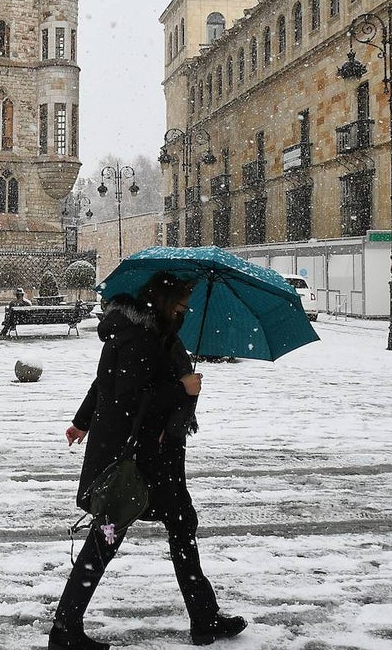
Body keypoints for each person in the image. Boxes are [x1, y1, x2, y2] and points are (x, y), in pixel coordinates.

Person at [48, 272, 247, 650]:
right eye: (181, 304)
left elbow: (102, 384)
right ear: (163, 301)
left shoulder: (136, 330)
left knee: (176, 525)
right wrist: (183, 389)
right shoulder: (146, 337)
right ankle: (65, 629)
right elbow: (130, 396)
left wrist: (81, 420)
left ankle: (203, 617)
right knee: (110, 534)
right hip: (141, 460)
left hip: (141, 456)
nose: (185, 311)